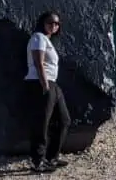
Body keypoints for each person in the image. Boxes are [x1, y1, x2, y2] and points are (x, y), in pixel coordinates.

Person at [25, 11, 71, 173]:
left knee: (64, 120)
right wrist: (44, 84)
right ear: (42, 23)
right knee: (41, 123)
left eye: (56, 24)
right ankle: (37, 162)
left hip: (53, 84)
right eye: (50, 23)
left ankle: (52, 157)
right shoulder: (38, 37)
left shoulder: (47, 40)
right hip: (40, 83)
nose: (53, 26)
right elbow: (38, 62)